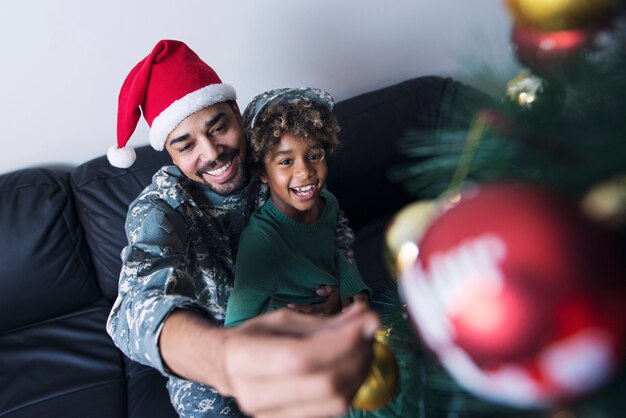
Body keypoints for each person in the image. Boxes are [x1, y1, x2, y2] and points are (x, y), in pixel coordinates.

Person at [105, 39, 379, 418]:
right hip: (216, 364)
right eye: (186, 146)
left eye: (218, 128)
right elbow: (132, 309)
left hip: (314, 326)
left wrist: (342, 295)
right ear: (169, 153)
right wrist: (226, 356)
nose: (212, 152)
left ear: (236, 111)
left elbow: (333, 229)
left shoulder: (278, 157)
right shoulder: (162, 207)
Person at [224, 88, 371, 327]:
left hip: (336, 325)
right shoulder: (261, 240)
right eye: (286, 161)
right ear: (262, 172)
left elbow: (330, 252)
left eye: (314, 156)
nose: (305, 171)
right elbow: (235, 326)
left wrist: (353, 288)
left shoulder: (328, 203)